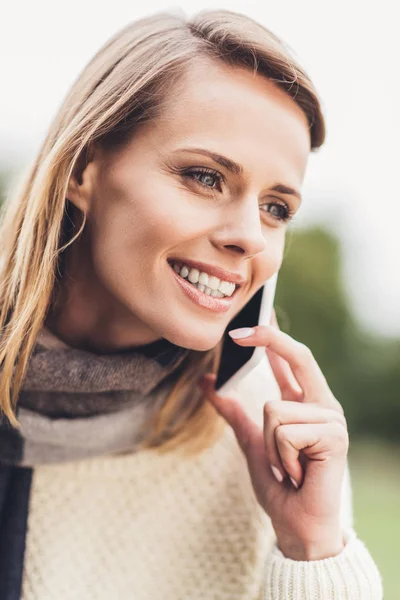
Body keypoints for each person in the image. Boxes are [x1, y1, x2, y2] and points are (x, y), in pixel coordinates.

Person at [0, 7, 383, 600]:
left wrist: (312, 548)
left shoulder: (270, 438)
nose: (250, 236)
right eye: (206, 177)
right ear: (83, 168)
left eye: (276, 208)